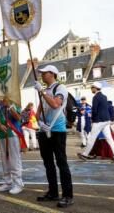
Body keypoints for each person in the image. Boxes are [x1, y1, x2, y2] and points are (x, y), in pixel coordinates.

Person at [34, 65, 74, 208]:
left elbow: (56, 104)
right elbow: (39, 111)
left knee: (61, 163)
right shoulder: (45, 91)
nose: (42, 75)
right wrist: (38, 121)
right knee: (48, 163)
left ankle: (68, 196)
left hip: (57, 130)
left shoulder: (60, 88)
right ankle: (53, 192)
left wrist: (42, 91)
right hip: (44, 131)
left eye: (44, 73)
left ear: (52, 74)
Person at [78, 82, 114, 163]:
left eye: (92, 87)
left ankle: (85, 154)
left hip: (99, 121)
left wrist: (92, 119)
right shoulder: (104, 97)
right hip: (106, 120)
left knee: (91, 137)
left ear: (95, 88)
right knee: (109, 139)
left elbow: (94, 110)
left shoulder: (96, 97)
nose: (91, 89)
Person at [0, 96, 25, 194]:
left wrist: (10, 106)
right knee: (4, 159)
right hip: (3, 134)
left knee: (14, 159)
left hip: (13, 133)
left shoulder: (15, 102)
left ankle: (18, 184)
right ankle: (8, 182)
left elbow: (19, 118)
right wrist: (0, 125)